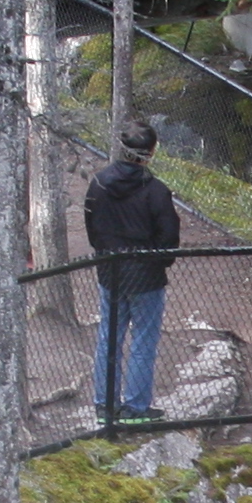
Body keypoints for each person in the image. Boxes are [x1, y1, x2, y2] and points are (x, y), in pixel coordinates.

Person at [83, 120, 181, 425]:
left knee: (108, 337)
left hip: (110, 271)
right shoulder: (157, 192)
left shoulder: (98, 183)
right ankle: (136, 408)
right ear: (151, 151)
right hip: (146, 277)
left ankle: (104, 405)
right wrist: (158, 262)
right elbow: (168, 237)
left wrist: (105, 255)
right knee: (143, 341)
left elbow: (93, 230)